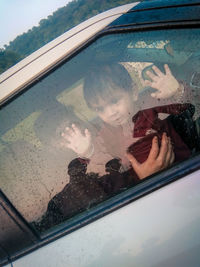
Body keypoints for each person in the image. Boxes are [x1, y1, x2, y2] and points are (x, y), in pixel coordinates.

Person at [60, 63, 192, 181]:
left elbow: (188, 107)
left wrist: (177, 90)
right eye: (100, 109)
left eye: (114, 101)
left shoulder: (150, 104)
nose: (111, 112)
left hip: (186, 172)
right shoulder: (105, 135)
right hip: (144, 191)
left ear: (134, 91)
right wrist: (89, 152)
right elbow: (111, 170)